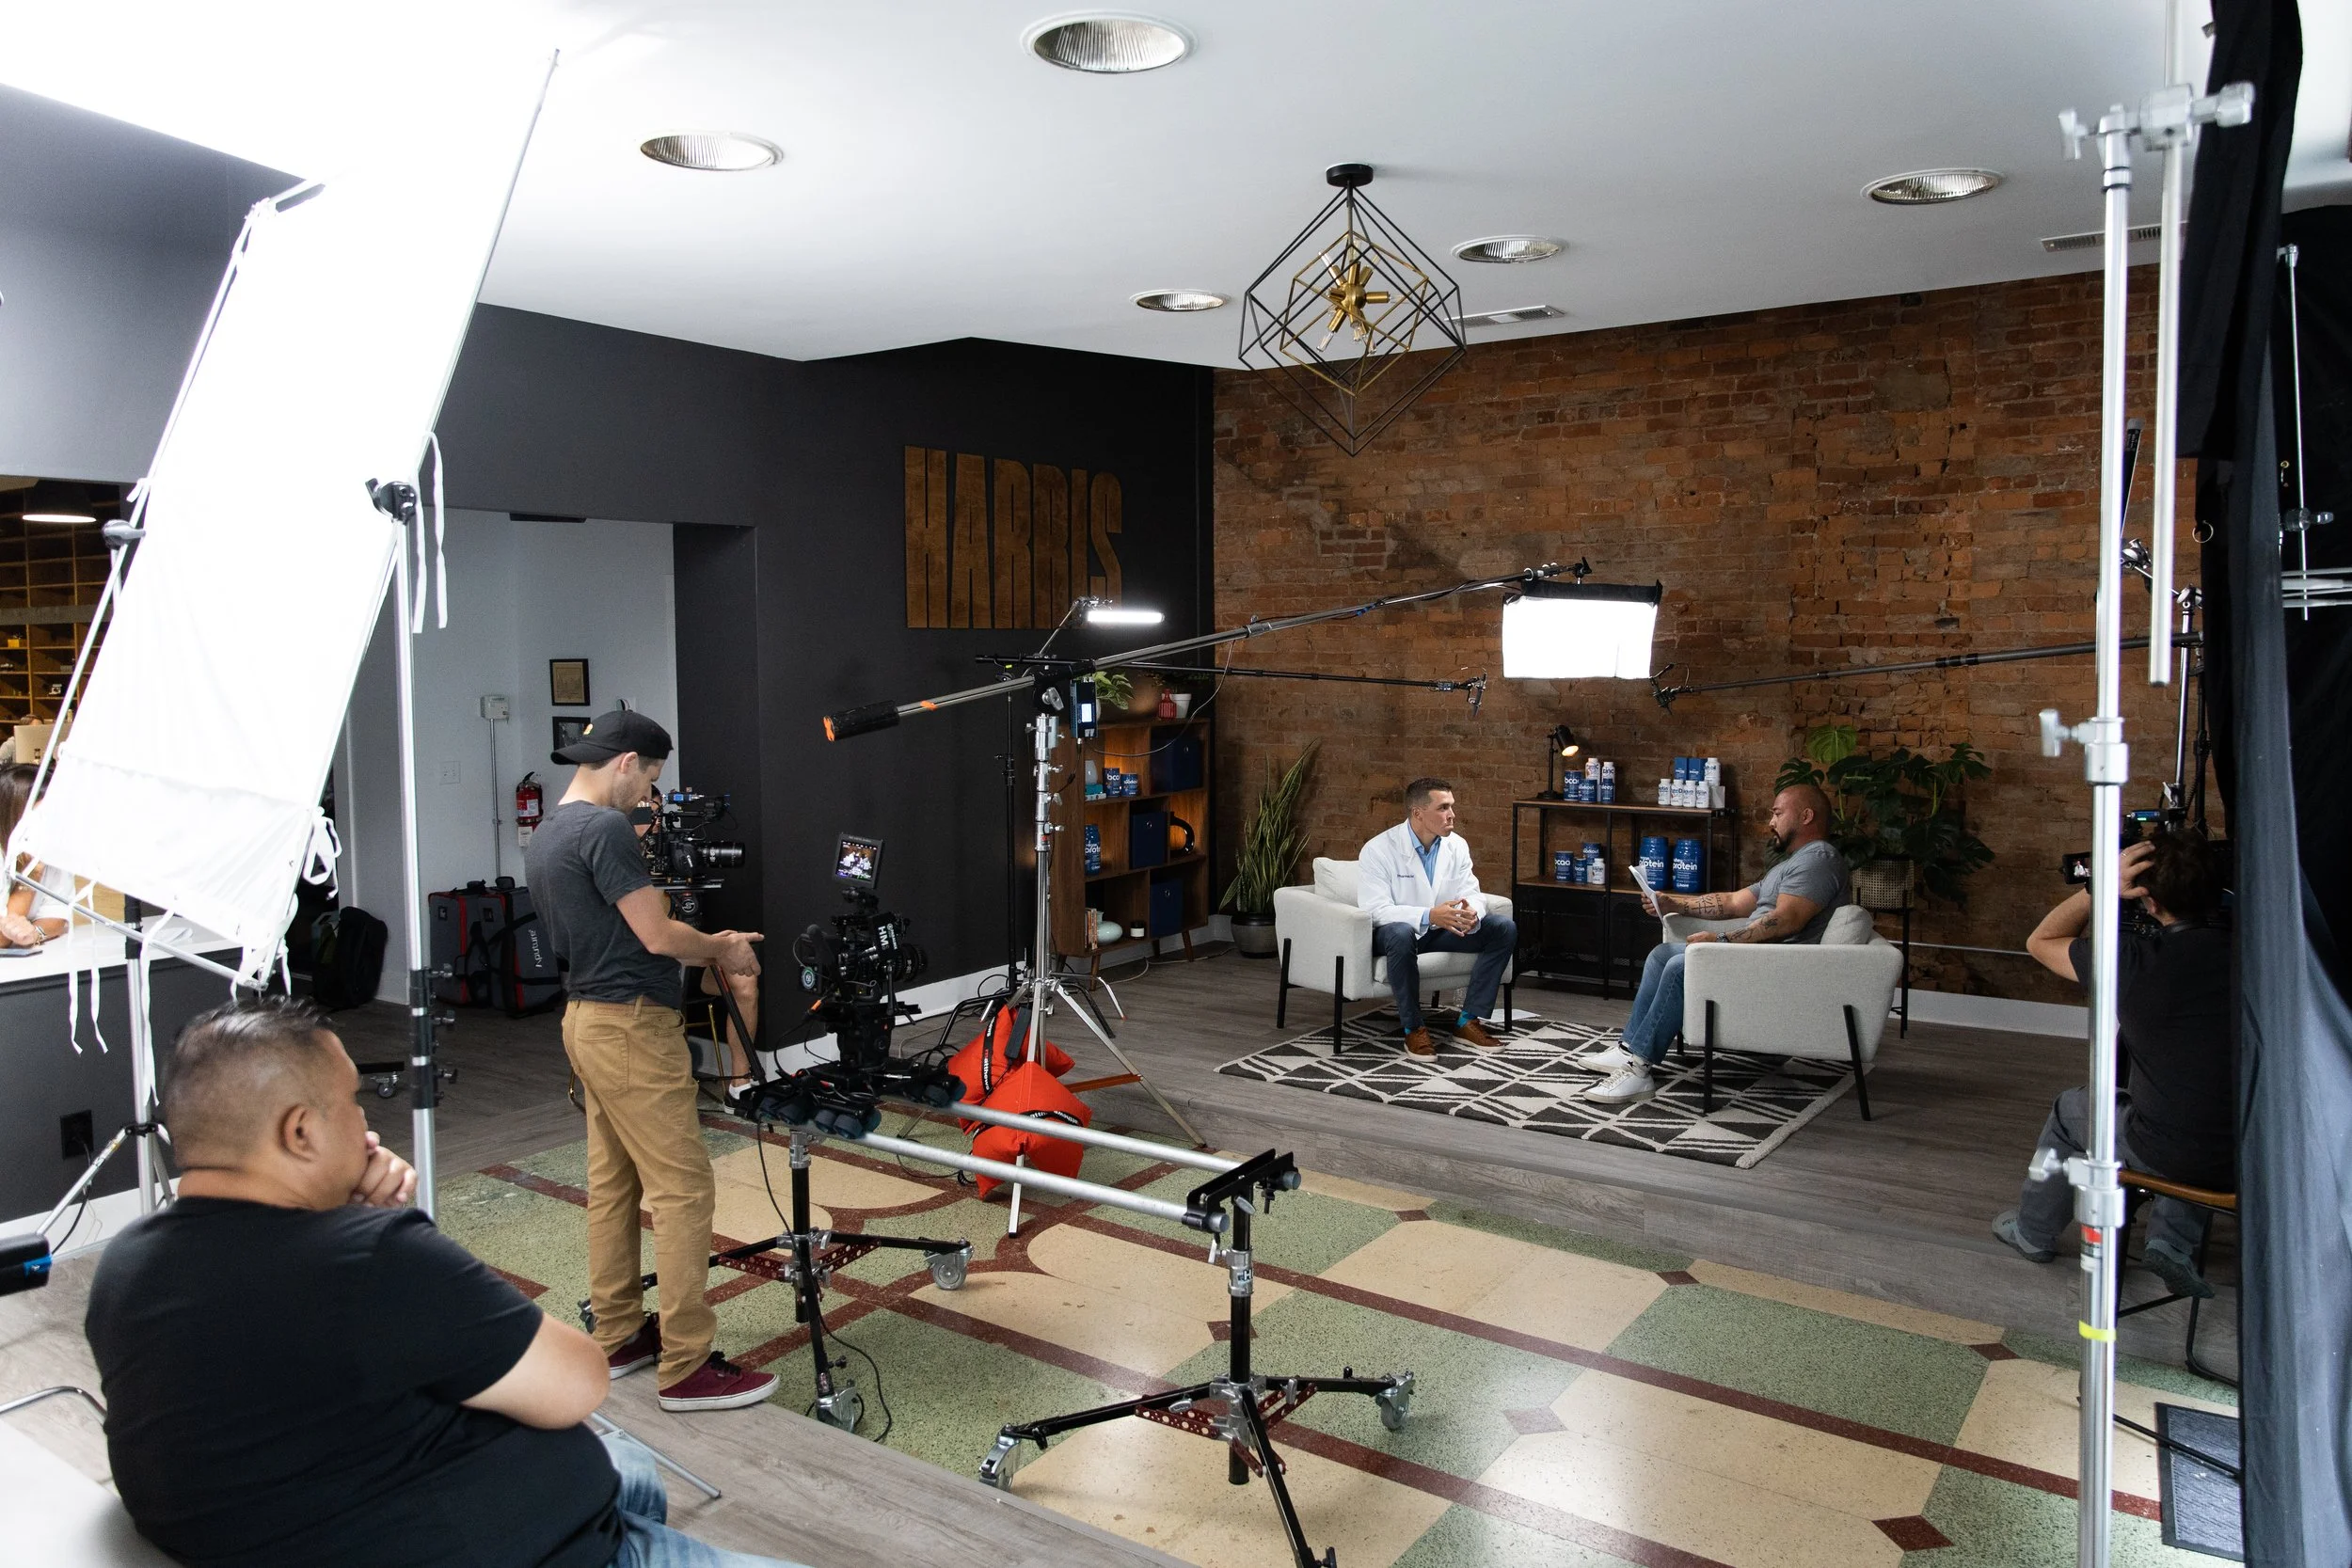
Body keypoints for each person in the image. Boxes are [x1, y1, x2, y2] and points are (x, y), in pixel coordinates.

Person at [85, 999, 815, 1568]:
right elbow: (581, 1381)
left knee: (628, 1467)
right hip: (549, 1551)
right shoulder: (371, 1260)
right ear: (300, 1132)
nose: (370, 1127)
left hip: (317, 1517)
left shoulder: (123, 1266)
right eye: (353, 1103)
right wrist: (391, 1229)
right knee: (619, 1461)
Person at [524, 709, 776, 1412]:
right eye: (650, 780)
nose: (647, 799)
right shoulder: (604, 828)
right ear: (627, 760)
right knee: (684, 1188)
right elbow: (658, 935)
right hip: (632, 1027)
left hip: (583, 1022)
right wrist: (724, 945)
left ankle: (620, 1332)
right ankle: (687, 1364)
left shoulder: (549, 832)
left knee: (614, 1184)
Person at [1992, 829, 2233, 1299]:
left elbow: (2040, 941)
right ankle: (2171, 1240)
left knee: (2071, 1110)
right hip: (2250, 1155)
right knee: (2204, 1095)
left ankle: (2033, 1232)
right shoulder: (2264, 959)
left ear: (2150, 902)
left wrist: (2097, 886)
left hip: (2167, 1147)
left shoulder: (2131, 960)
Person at [1581, 783, 1851, 1107]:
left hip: (1780, 967)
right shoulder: (1793, 863)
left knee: (1683, 966)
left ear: (1806, 816)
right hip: (1760, 958)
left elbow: (1785, 921)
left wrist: (1720, 941)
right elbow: (1735, 902)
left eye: (1778, 813)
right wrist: (1675, 903)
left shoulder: (1819, 860)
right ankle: (1628, 1048)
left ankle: (1638, 1069)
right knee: (1662, 954)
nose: (1771, 822)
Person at [1357, 777, 1518, 1057]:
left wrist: (1471, 913)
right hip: (1395, 936)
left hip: (1440, 932)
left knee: (1502, 927)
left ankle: (1468, 1021)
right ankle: (1413, 1029)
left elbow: (1473, 892)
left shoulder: (1457, 845)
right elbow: (1374, 910)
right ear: (1418, 813)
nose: (1452, 815)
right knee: (1400, 933)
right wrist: (1430, 915)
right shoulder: (1378, 849)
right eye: (1444, 807)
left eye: (1452, 807)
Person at [0, 761, 72, 948]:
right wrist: (32, 873)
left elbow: (57, 916)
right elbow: (1, 938)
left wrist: (35, 934)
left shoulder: (51, 849)